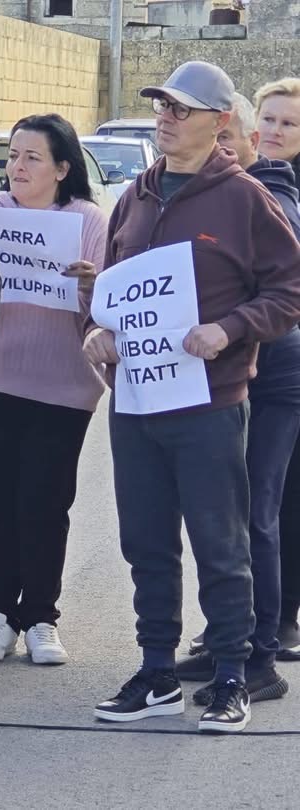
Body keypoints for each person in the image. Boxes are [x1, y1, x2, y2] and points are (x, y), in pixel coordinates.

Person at [85, 62, 300, 734]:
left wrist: (230, 329)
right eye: (161, 105)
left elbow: (289, 290)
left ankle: (233, 674)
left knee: (220, 543)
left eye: (181, 108)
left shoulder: (245, 199)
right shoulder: (136, 195)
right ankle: (156, 672)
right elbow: (110, 288)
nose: (166, 117)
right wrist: (96, 330)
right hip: (136, 403)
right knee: (145, 543)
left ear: (219, 121)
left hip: (210, 404)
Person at [0, 114, 108, 666]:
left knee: (46, 504)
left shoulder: (88, 221)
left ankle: (42, 618)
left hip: (63, 388)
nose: (16, 167)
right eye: (12, 155)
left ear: (62, 168)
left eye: (32, 157)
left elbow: (107, 310)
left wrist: (91, 285)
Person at [179, 95, 300, 708]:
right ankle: (231, 637)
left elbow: (276, 288)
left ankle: (261, 655)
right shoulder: (217, 190)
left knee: (254, 514)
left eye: (229, 140)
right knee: (227, 515)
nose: (220, 150)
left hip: (274, 377)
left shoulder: (268, 195)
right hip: (237, 373)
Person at [255, 77, 300, 661]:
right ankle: (245, 618)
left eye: (288, 123)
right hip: (252, 363)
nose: (275, 130)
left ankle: (283, 616)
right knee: (250, 501)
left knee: (285, 497)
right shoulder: (243, 181)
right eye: (268, 118)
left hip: (290, 367)